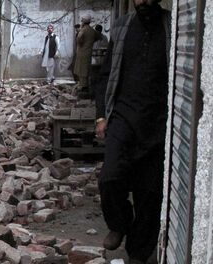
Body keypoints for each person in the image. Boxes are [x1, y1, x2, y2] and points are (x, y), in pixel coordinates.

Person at [94, 0, 170, 263]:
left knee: (149, 195)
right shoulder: (123, 28)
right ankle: (120, 223)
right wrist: (101, 115)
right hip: (123, 118)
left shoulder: (170, 27)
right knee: (110, 178)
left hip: (158, 123)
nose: (141, 2)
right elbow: (105, 75)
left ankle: (138, 253)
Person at [73, 15, 97, 96]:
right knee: (86, 70)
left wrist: (81, 43)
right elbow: (97, 37)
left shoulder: (83, 30)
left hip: (82, 53)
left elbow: (79, 39)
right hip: (88, 53)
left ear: (83, 21)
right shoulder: (92, 31)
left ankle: (83, 87)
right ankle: (85, 86)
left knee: (81, 70)